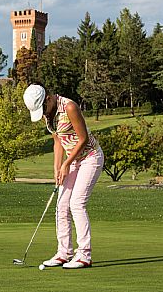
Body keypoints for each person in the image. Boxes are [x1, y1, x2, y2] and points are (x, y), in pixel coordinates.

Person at [23, 84, 104, 269]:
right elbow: (57, 140)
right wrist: (57, 167)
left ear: (48, 99)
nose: (43, 112)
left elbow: (83, 139)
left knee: (77, 203)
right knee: (61, 205)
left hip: (91, 157)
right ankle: (64, 253)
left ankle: (84, 255)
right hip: (73, 160)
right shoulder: (48, 114)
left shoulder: (69, 107)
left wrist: (67, 164)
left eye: (43, 108)